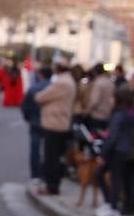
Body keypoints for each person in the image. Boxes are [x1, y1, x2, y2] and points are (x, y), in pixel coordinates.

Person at [34, 59, 76, 196]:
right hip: (60, 122)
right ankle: (52, 184)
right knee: (55, 157)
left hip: (55, 123)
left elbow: (41, 97)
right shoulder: (68, 80)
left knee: (51, 158)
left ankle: (52, 186)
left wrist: (39, 94)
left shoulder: (61, 82)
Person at [95, 86, 134, 216]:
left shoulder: (118, 115)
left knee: (111, 177)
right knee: (113, 177)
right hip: (124, 149)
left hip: (116, 150)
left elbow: (113, 137)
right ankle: (111, 203)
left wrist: (103, 154)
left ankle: (112, 206)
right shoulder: (131, 114)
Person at [22, 65, 52, 185]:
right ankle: (45, 173)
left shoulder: (34, 88)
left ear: (40, 75)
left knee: (35, 149)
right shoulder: (54, 87)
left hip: (35, 122)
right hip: (49, 123)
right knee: (47, 149)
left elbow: (26, 106)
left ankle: (35, 175)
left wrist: (29, 118)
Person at [84, 64, 114, 131]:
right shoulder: (110, 82)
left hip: (97, 115)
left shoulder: (98, 83)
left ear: (95, 72)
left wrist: (86, 112)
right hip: (107, 115)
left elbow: (94, 101)